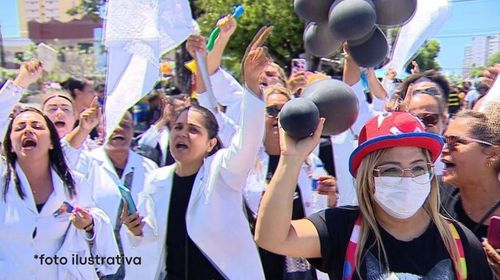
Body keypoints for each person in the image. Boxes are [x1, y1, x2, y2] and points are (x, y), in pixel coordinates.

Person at [255, 112, 494, 279]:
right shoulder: (341, 229)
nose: (407, 178)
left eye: (418, 167)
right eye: (391, 169)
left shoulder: (460, 242)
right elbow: (271, 238)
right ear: (368, 178)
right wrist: (291, 159)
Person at [121, 28, 271, 279]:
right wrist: (135, 230)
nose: (182, 134)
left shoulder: (223, 170)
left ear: (211, 143)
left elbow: (249, 141)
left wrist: (252, 87)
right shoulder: (157, 180)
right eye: (178, 127)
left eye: (193, 130)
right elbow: (153, 241)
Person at [0, 64, 119, 277]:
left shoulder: (74, 183)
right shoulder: (2, 181)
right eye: (19, 128)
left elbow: (98, 225)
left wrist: (90, 224)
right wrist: (20, 83)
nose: (28, 130)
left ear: (52, 142)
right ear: (9, 144)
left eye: (37, 127)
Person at [440, 104, 500, 240]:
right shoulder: (433, 193)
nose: (444, 149)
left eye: (455, 142)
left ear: (493, 154)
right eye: (445, 141)